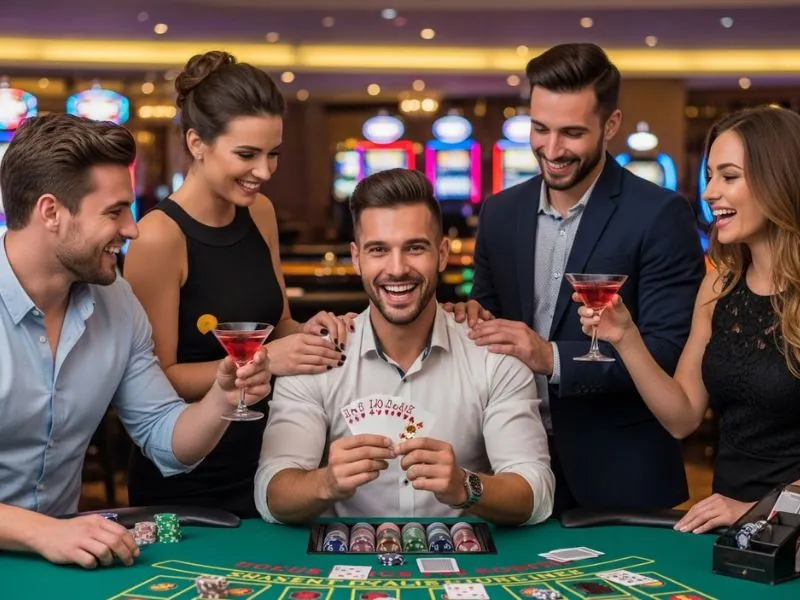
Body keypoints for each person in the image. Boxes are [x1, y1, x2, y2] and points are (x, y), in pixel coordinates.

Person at [0, 113, 271, 568]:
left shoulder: (117, 300)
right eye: (114, 211)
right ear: (51, 212)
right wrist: (44, 532)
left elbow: (166, 437)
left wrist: (224, 396)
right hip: (56, 541)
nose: (133, 229)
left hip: (64, 557)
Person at [445, 43, 706, 513]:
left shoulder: (660, 214)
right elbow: (487, 320)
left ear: (610, 125)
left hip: (622, 475)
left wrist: (551, 357)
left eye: (571, 133)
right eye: (540, 129)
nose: (551, 149)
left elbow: (667, 353)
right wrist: (470, 317)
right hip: (511, 467)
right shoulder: (501, 213)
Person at [123, 51, 353, 518]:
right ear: (196, 142)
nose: (264, 171)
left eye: (273, 154)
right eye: (247, 155)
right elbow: (157, 379)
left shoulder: (260, 212)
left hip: (271, 456)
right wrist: (267, 360)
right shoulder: (158, 237)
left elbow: (278, 321)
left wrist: (312, 333)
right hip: (189, 474)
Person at [254, 168, 554, 526]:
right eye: (378, 250)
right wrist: (326, 482)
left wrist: (466, 486)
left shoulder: (493, 355)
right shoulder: (316, 356)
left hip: (467, 564)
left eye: (415, 248)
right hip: (349, 563)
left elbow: (536, 493)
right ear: (356, 257)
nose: (397, 269)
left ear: (442, 254)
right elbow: (270, 494)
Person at [577, 105, 800, 533]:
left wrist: (760, 508)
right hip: (729, 528)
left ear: (779, 181)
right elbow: (681, 418)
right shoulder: (718, 288)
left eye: (729, 177)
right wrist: (626, 338)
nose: (710, 191)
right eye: (710, 175)